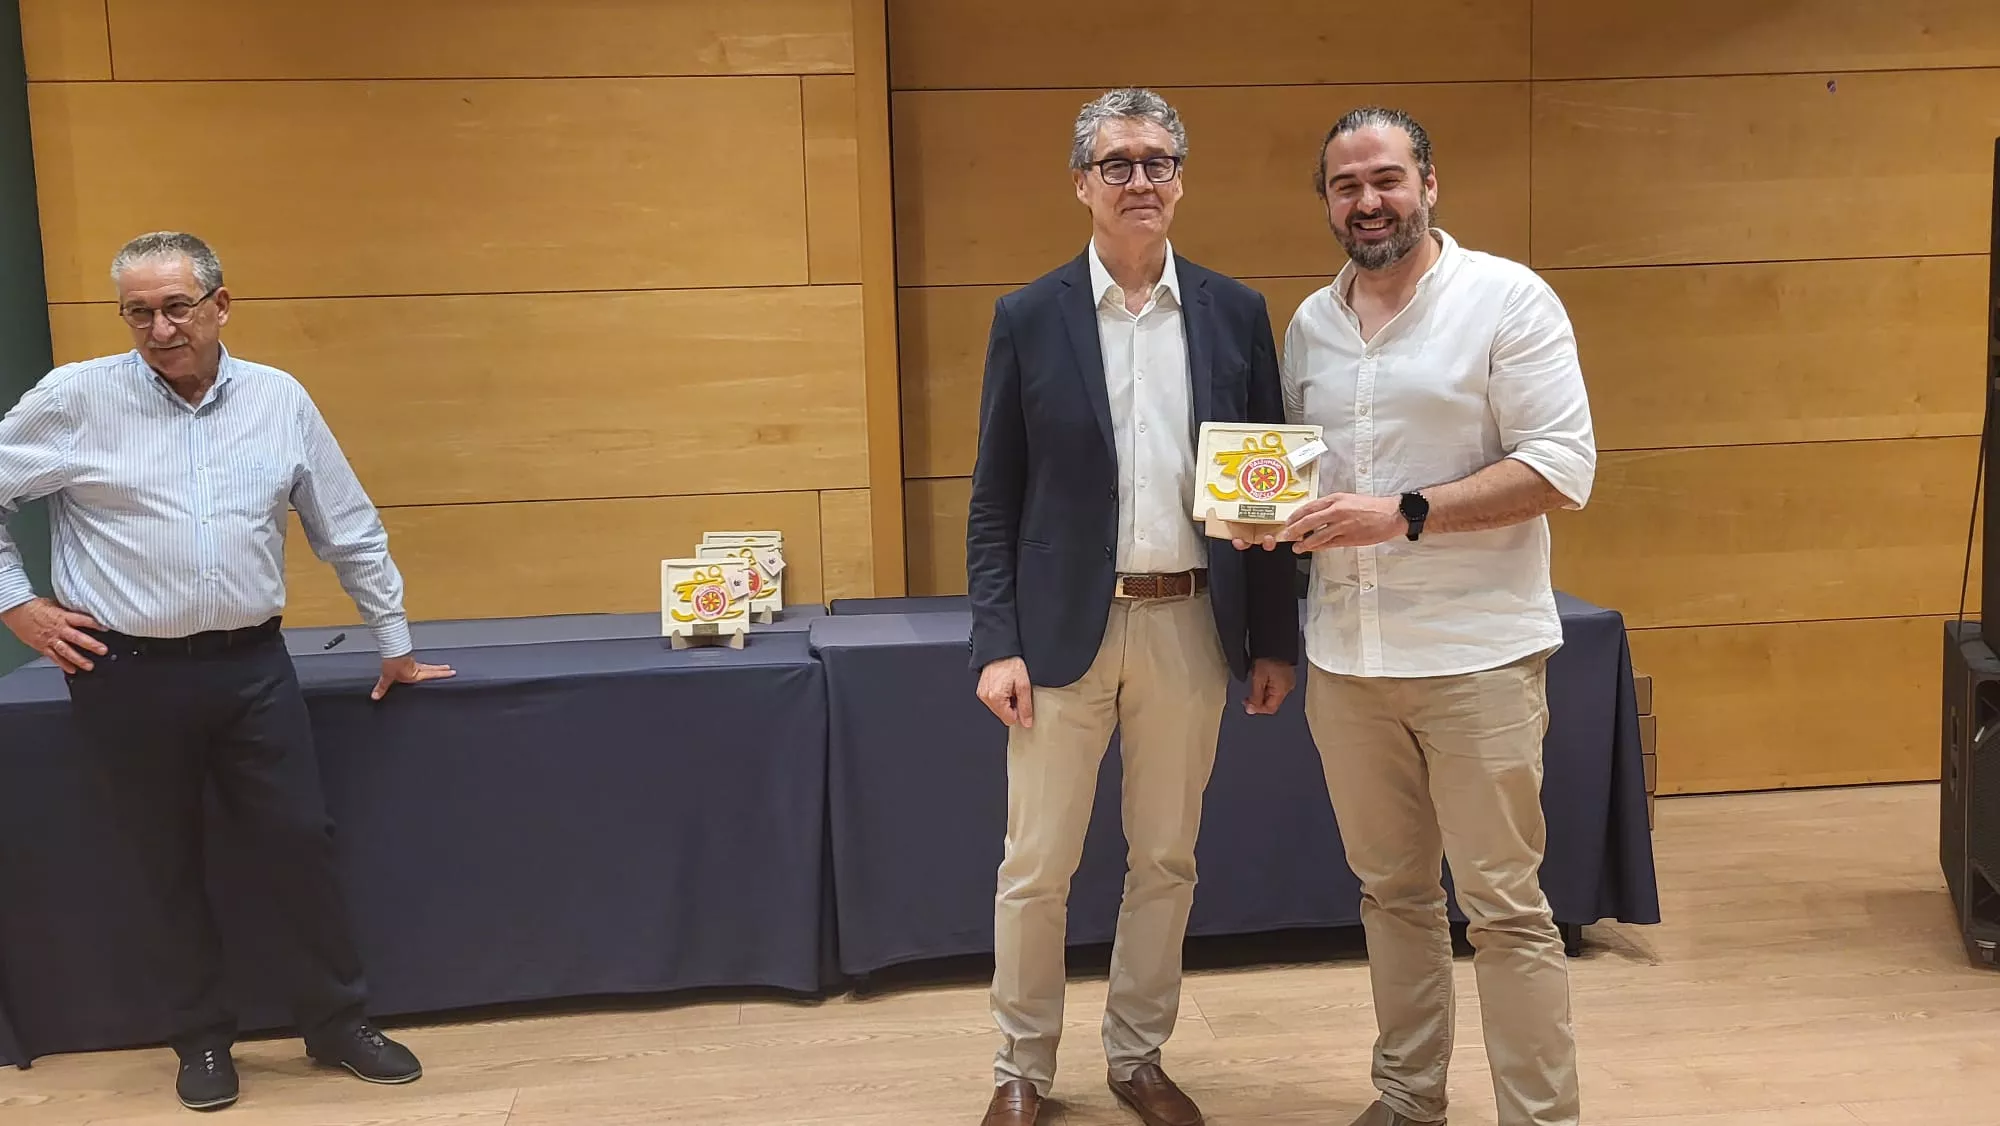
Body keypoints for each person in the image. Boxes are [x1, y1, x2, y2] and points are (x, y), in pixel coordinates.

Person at [0, 231, 455, 1112]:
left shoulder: (278, 398)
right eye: (139, 312)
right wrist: (15, 603)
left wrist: (391, 639)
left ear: (220, 303)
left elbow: (347, 525)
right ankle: (202, 1042)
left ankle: (335, 1024)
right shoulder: (75, 399)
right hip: (122, 674)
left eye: (177, 307)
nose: (160, 328)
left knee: (299, 847)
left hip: (251, 667)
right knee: (162, 862)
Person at [964, 88, 1300, 1126]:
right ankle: (1021, 1067)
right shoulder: (1026, 316)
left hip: (1192, 627)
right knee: (1037, 865)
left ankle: (1136, 1056)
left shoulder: (1234, 312)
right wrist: (995, 642)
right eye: (1116, 163)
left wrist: (1272, 635)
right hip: (1061, 635)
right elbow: (991, 497)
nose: (1139, 179)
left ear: (1180, 180)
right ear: (1081, 183)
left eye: (1157, 161)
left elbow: (1268, 485)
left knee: (1163, 857)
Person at [1267, 107, 1598, 1126]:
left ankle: (1537, 1118)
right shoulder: (1309, 325)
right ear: (1326, 200)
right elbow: (1295, 481)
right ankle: (1408, 1101)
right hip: (1347, 663)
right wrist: (1261, 519)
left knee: (1504, 909)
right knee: (1391, 898)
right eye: (1344, 186)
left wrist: (1401, 513)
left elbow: (1559, 467)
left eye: (1385, 179)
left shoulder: (1507, 300)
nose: (1366, 202)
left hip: (1476, 659)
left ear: (1427, 182)